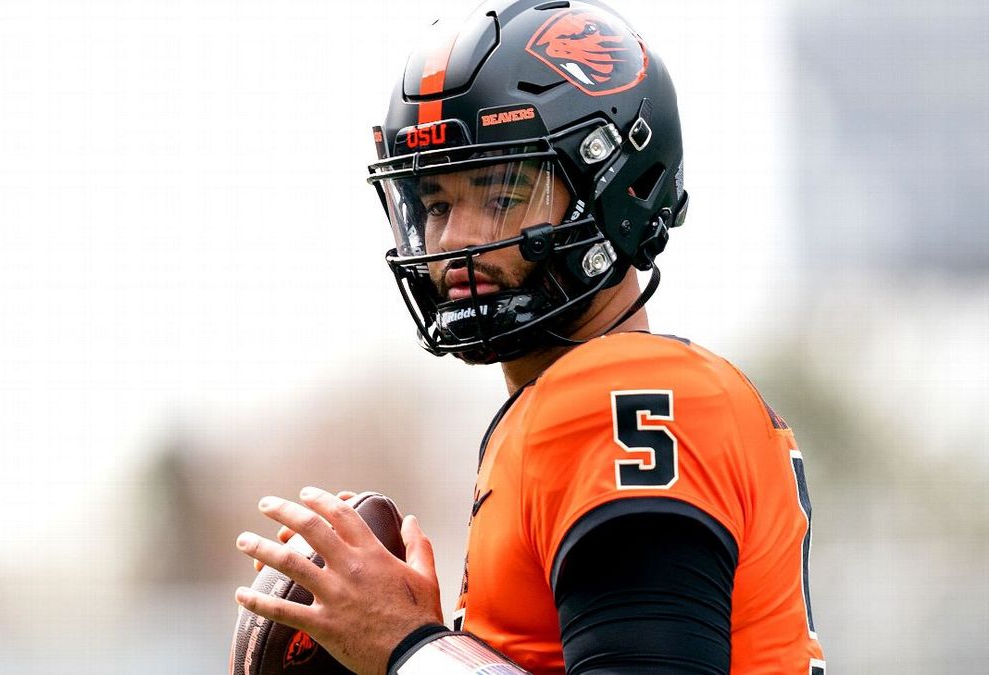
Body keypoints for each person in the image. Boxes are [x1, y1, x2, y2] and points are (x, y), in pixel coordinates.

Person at [234, 1, 826, 673]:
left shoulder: (617, 393)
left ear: (616, 186)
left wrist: (407, 646)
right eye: (435, 203)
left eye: (503, 192)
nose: (454, 238)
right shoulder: (570, 405)